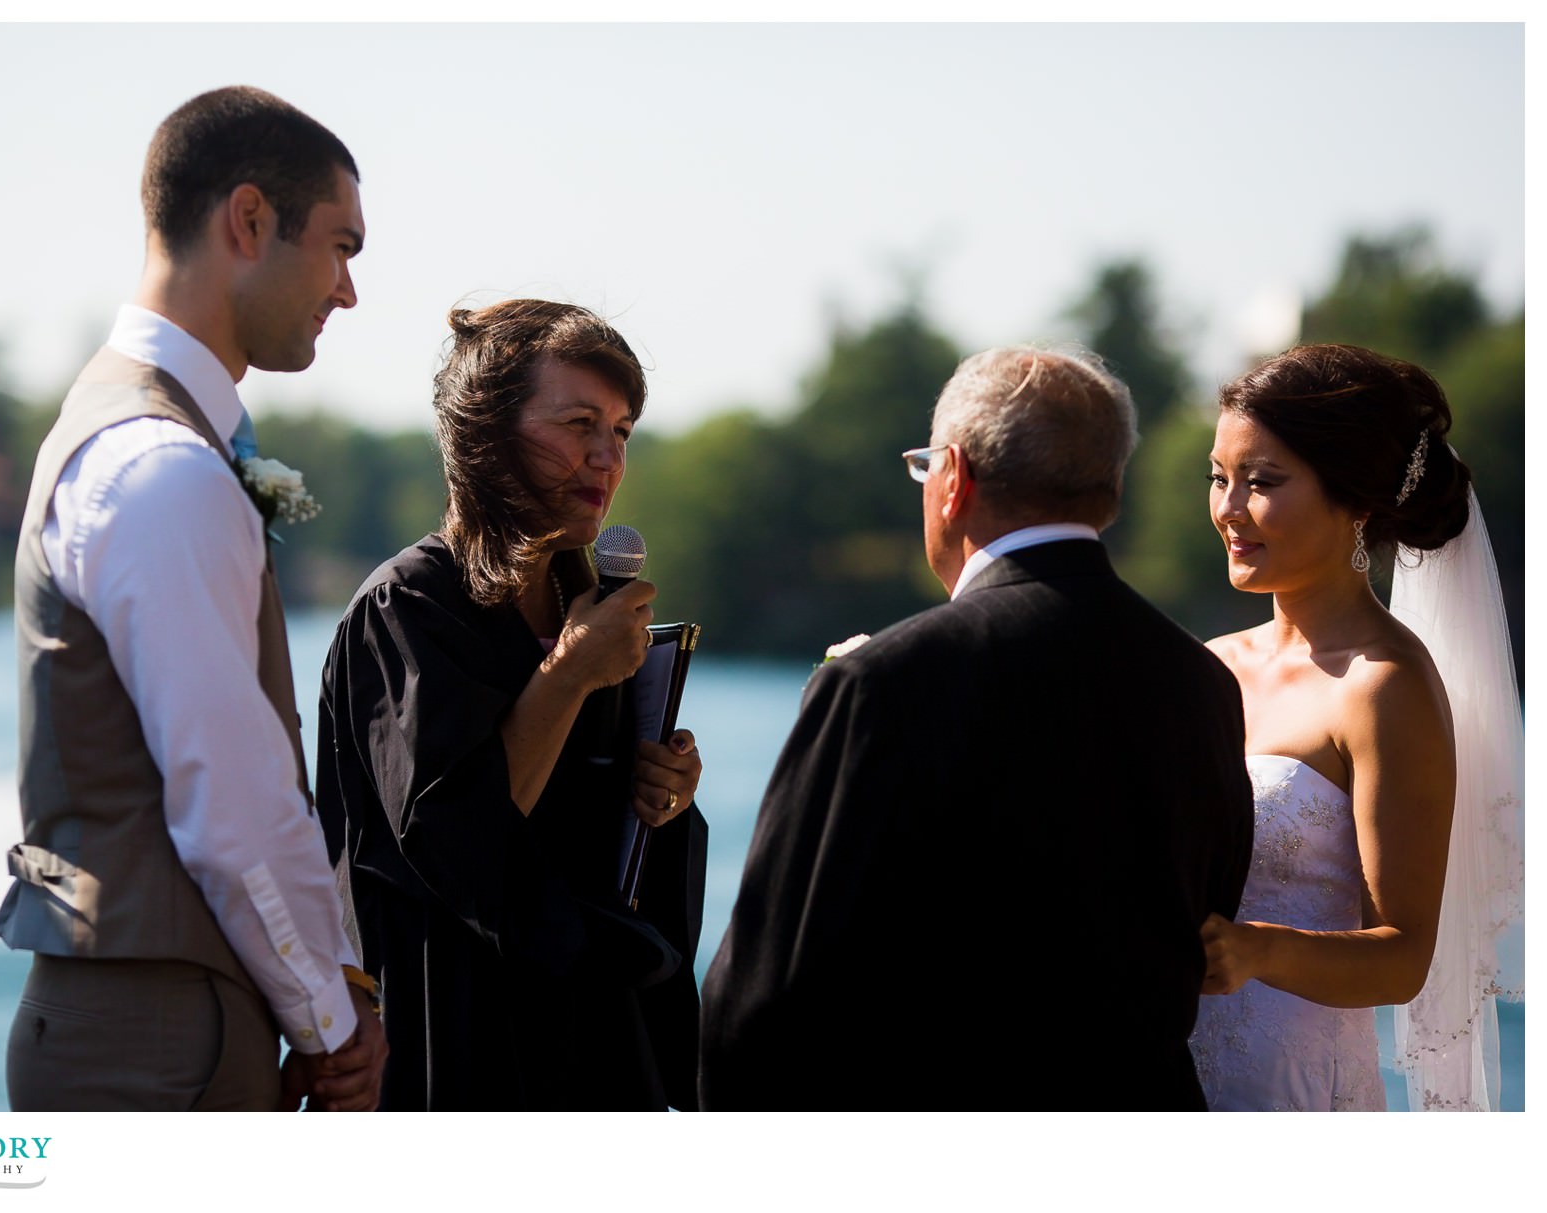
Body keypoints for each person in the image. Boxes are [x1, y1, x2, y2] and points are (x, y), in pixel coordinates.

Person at [698, 346, 1254, 1110]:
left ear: (953, 478)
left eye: (925, 467)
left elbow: (769, 991)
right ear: (1113, 488)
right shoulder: (1206, 684)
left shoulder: (884, 681)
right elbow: (1202, 926)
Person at [0, 86, 387, 1112]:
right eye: (340, 246)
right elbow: (234, 801)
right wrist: (332, 1017)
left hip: (140, 1020)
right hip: (159, 1044)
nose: (348, 290)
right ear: (249, 220)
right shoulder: (161, 467)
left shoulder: (118, 425)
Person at [315, 299, 708, 1110]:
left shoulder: (588, 605)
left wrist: (662, 801)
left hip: (590, 1052)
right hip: (455, 1051)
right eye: (579, 423)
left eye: (623, 430)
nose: (606, 457)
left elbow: (606, 857)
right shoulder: (409, 610)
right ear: (488, 434)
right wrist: (566, 676)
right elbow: (460, 845)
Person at [1191, 343, 1522, 1112]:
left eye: (1263, 482)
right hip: (1171, 1080)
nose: (1229, 508)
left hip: (1296, 1098)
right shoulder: (1208, 666)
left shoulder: (1385, 686)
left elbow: (1401, 958)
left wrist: (1254, 950)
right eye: (1219, 476)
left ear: (1357, 501)